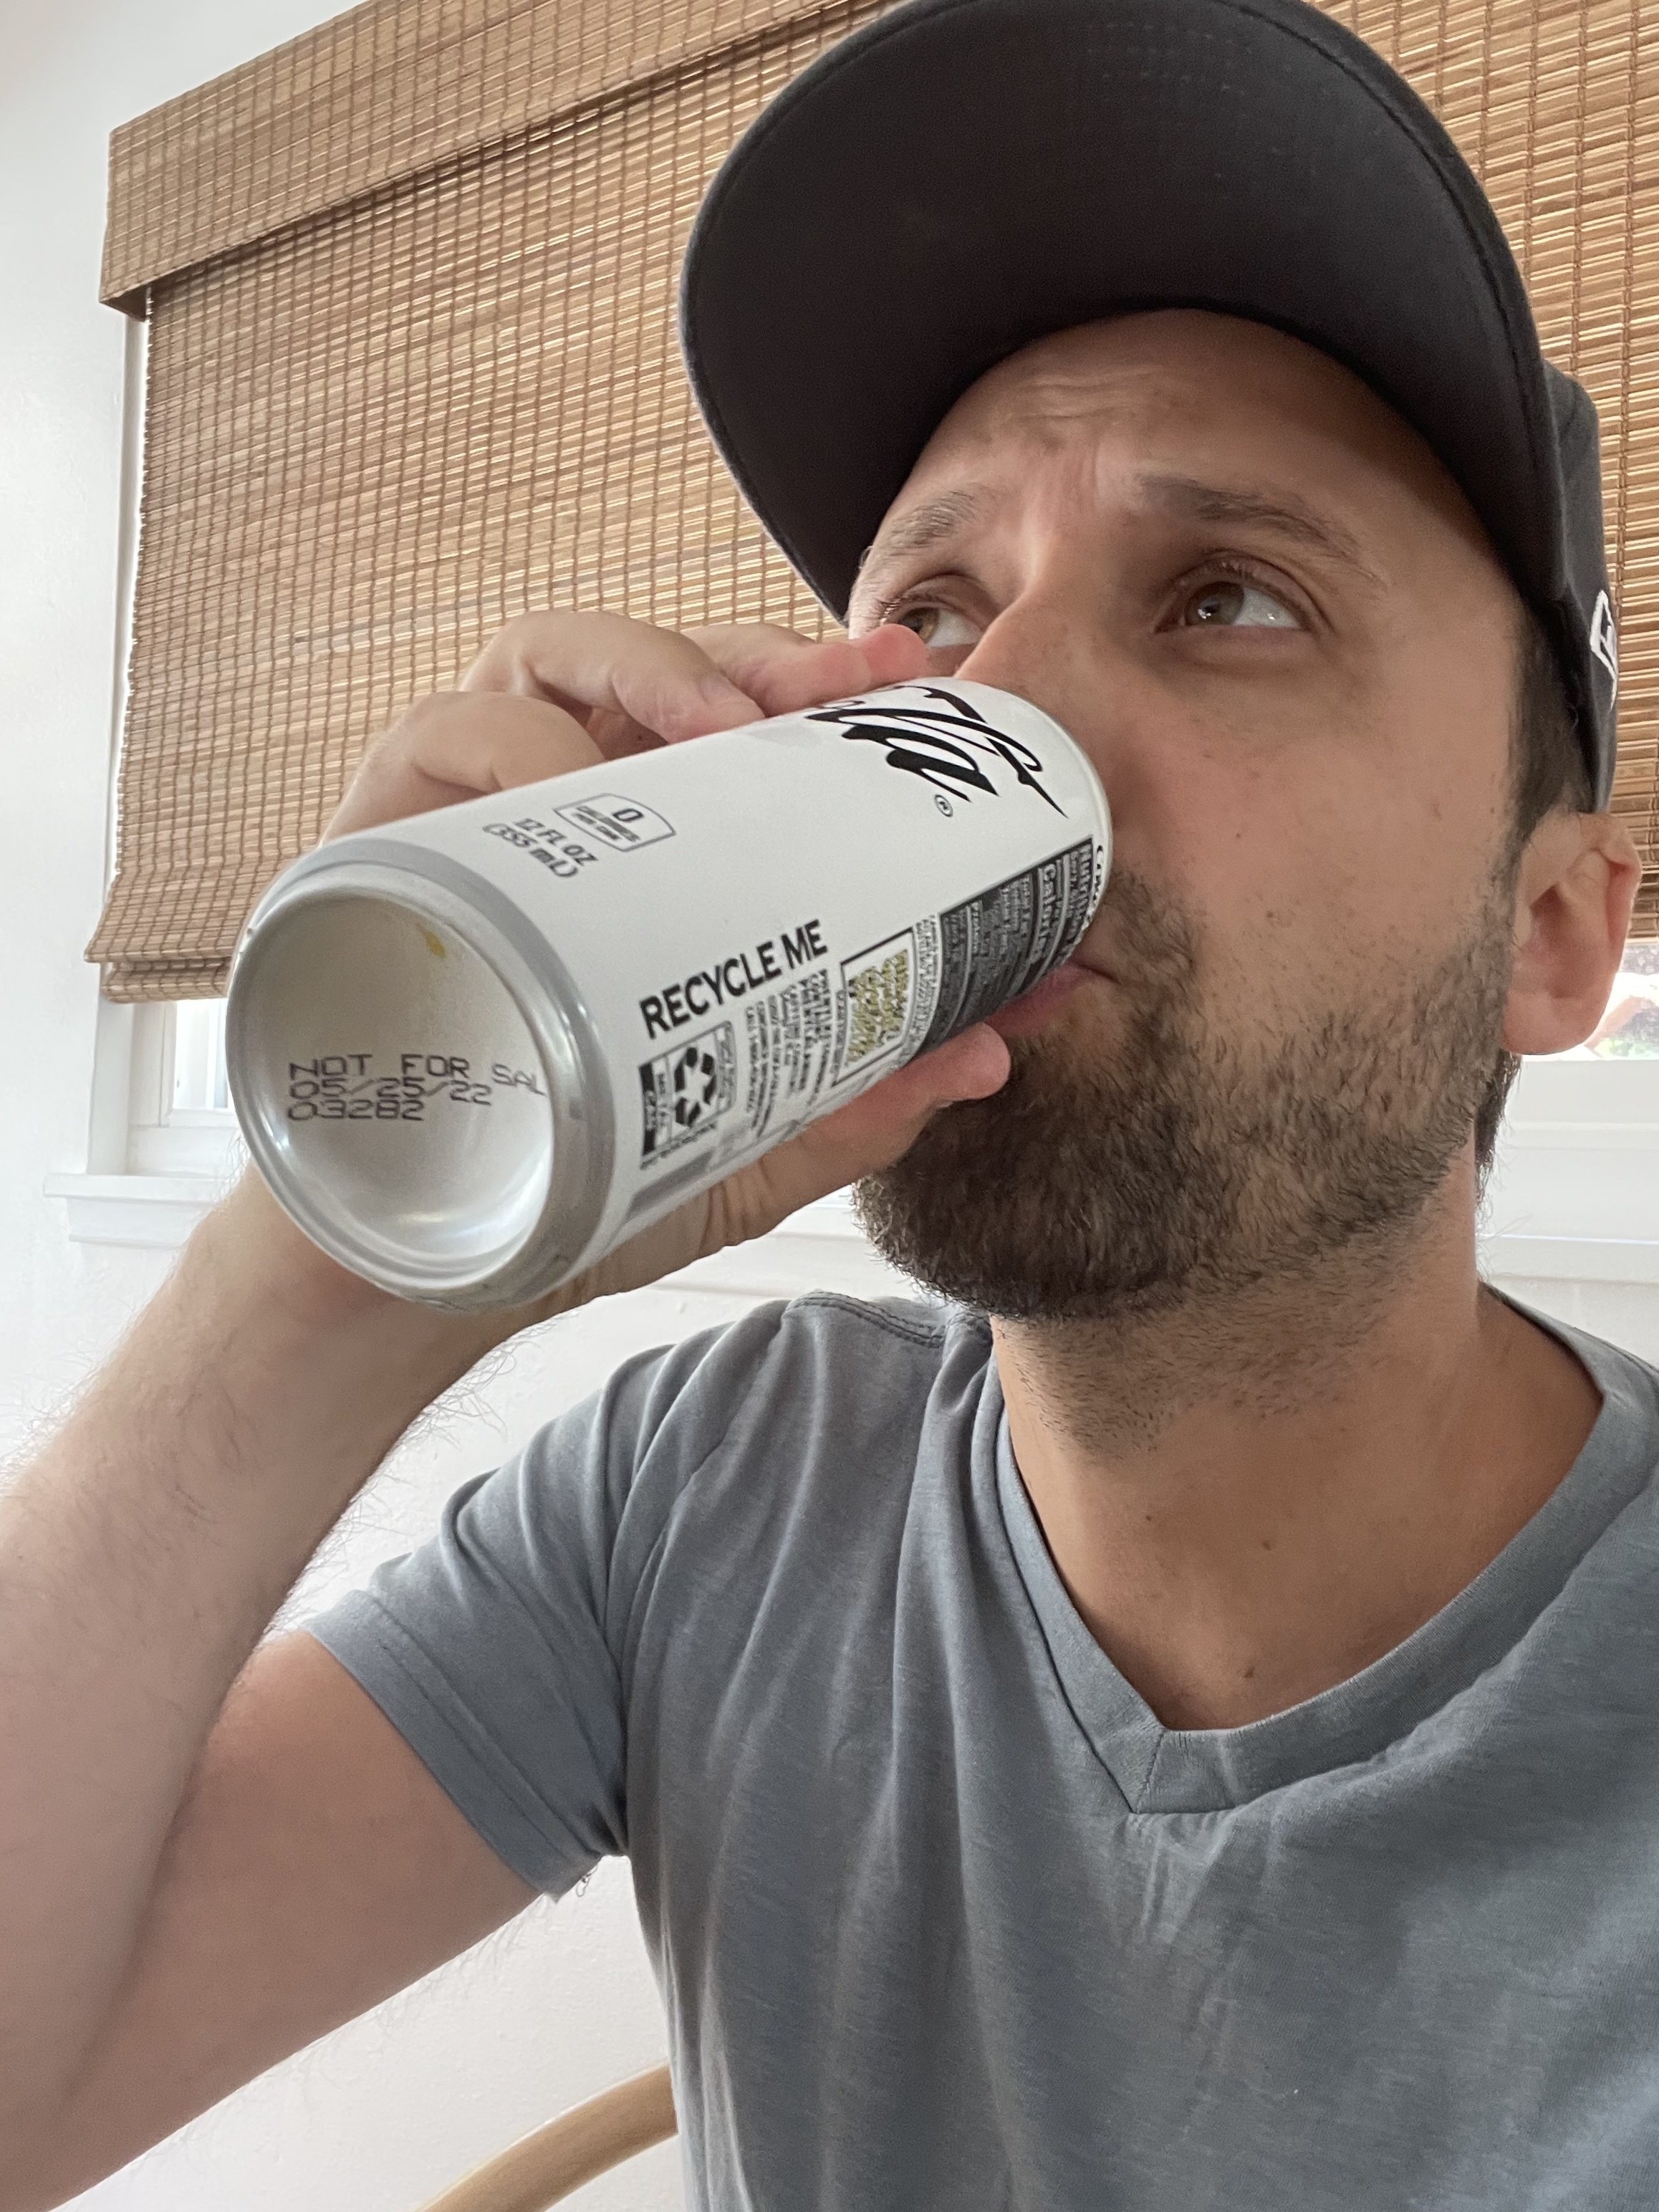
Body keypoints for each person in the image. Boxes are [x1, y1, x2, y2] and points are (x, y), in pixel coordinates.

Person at [1, 0, 1650, 2203]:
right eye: (933, 611)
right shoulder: (710, 1494)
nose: (1006, 703)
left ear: (1550, 933)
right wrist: (342, 1250)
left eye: (1229, 596)